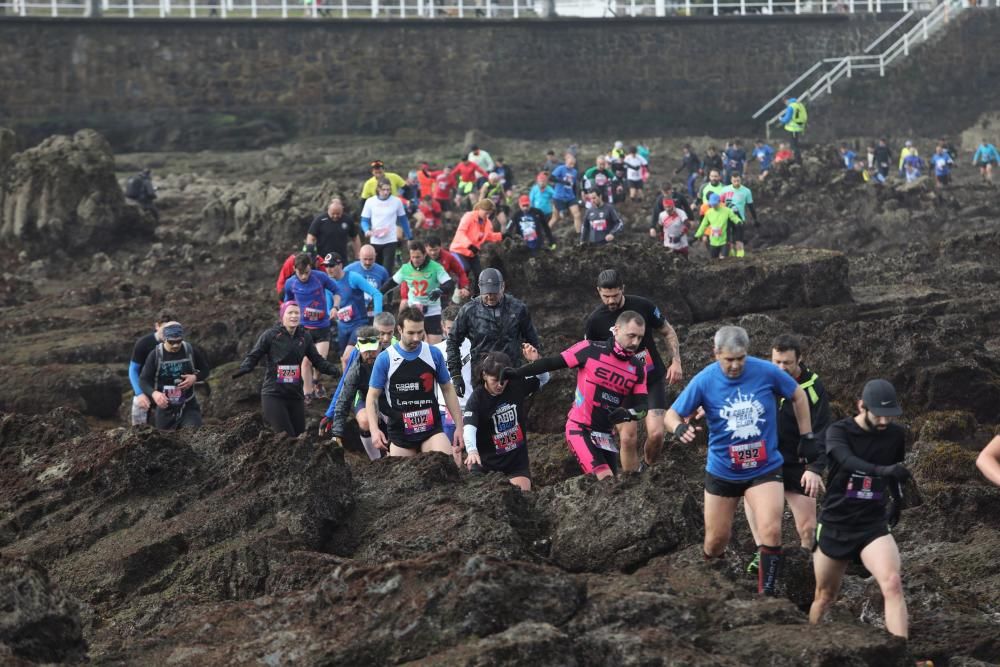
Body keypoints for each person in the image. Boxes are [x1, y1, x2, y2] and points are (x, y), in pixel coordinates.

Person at [665, 325, 816, 596]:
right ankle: (713, 590)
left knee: (771, 531)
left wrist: (807, 435)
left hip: (764, 467)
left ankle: (766, 595)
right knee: (715, 542)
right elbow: (671, 414)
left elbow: (798, 395)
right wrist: (678, 429)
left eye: (740, 359)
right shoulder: (704, 380)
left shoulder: (766, 371)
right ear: (716, 354)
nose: (735, 365)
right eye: (729, 359)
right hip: (723, 471)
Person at [809, 379, 911, 638]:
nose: (884, 422)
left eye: (890, 416)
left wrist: (897, 502)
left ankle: (901, 654)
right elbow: (847, 461)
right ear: (861, 406)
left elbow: (894, 473)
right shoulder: (838, 432)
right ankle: (809, 649)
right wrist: (881, 470)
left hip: (871, 524)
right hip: (836, 522)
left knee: (892, 584)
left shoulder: (896, 435)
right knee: (824, 596)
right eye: (878, 414)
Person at [503, 311, 649, 480]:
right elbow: (551, 363)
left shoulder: (638, 368)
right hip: (580, 429)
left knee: (613, 489)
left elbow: (643, 408)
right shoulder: (589, 349)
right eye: (631, 336)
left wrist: (627, 414)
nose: (635, 342)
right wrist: (516, 373)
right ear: (616, 330)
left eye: (640, 338)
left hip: (606, 436)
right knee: (606, 480)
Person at [745, 334, 832, 574]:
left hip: (798, 462)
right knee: (750, 494)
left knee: (807, 529)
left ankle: (806, 569)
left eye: (787, 363)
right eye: (777, 362)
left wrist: (815, 468)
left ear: (800, 359)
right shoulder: (760, 378)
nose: (781, 368)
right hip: (765, 459)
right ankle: (761, 550)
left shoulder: (812, 386)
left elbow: (823, 429)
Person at [585, 269, 683, 472]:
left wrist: (676, 361)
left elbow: (667, 331)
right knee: (628, 439)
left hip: (651, 378)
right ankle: (633, 481)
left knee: (656, 434)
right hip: (621, 386)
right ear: (598, 292)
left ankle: (649, 469)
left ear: (623, 289)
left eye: (615, 295)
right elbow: (588, 357)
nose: (611, 300)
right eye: (606, 296)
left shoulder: (643, 305)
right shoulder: (595, 321)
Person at [365, 307, 465, 458]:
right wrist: (374, 429)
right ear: (399, 329)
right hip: (401, 435)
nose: (417, 338)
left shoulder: (433, 354)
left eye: (420, 332)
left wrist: (459, 426)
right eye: (411, 333)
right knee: (403, 477)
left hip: (431, 431)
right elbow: (372, 397)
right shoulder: (385, 358)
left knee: (445, 463)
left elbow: (447, 389)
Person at [233, 301, 339, 437]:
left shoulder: (304, 336)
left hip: (296, 396)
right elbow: (255, 354)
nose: (294, 316)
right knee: (286, 439)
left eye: (297, 313)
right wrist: (245, 367)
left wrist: (334, 370)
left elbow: (317, 360)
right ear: (282, 316)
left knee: (300, 438)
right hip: (274, 395)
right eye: (290, 313)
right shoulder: (270, 335)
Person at [446, 268, 541, 398]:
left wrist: (534, 368)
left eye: (494, 292)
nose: (490, 296)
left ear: (503, 287)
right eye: (487, 293)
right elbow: (452, 341)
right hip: (482, 378)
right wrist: (456, 376)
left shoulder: (518, 308)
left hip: (511, 374)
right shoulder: (468, 311)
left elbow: (533, 340)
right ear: (479, 288)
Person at [463, 350, 549, 491]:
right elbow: (469, 427)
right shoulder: (477, 398)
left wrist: (536, 361)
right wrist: (472, 451)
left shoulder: (516, 385)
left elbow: (543, 379)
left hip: (515, 464)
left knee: (519, 497)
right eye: (495, 380)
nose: (500, 385)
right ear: (484, 375)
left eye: (504, 380)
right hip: (485, 464)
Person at [321, 326, 385, 460]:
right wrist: (337, 434)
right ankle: (376, 460)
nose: (368, 355)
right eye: (365, 351)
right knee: (365, 420)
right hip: (362, 394)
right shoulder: (356, 368)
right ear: (358, 349)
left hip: (385, 395)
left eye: (372, 350)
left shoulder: (390, 359)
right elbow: (343, 398)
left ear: (380, 345)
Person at [282, 253, 340, 400]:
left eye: (306, 273)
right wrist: (288, 320)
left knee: (320, 360)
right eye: (300, 273)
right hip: (303, 328)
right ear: (294, 269)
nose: (303, 277)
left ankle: (316, 381)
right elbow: (287, 304)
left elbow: (337, 291)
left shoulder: (320, 277)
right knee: (306, 361)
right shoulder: (290, 283)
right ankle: (307, 393)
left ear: (311, 268)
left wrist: (335, 307)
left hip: (321, 326)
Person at [139, 323, 211, 431]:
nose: (176, 345)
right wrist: (154, 394)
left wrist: (194, 377)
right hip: (165, 408)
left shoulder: (190, 350)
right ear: (164, 339)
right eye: (171, 342)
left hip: (188, 406)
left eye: (178, 341)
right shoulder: (155, 355)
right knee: (166, 443)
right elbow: (144, 380)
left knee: (193, 436)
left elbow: (205, 370)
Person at [381, 240, 454, 344]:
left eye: (418, 257)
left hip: (433, 311)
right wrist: (378, 293)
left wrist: (440, 290)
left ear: (425, 254)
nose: (415, 260)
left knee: (435, 346)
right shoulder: (406, 268)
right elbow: (391, 283)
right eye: (413, 257)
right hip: (414, 311)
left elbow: (450, 283)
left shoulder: (435, 267)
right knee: (413, 343)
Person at [321, 252, 383, 364]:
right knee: (345, 360)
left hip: (359, 324)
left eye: (331, 265)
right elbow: (328, 310)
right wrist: (330, 314)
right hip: (342, 327)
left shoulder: (353, 277)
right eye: (326, 266)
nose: (328, 269)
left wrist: (377, 319)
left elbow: (377, 294)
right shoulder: (328, 284)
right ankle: (348, 381)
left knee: (347, 358)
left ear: (340, 265)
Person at [332, 312, 397, 420]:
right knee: (365, 420)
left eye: (390, 333)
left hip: (390, 395)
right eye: (381, 333)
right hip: (364, 394)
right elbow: (345, 381)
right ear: (374, 330)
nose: (386, 338)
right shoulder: (359, 348)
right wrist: (331, 412)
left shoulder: (398, 346)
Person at [128, 311, 177, 426]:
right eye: (164, 329)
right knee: (138, 410)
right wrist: (139, 393)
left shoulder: (178, 344)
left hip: (169, 387)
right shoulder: (143, 343)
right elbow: (133, 370)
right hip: (146, 387)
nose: (167, 333)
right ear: (157, 326)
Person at [360, 177, 412, 277]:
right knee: (375, 269)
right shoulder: (370, 202)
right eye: (383, 189)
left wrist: (409, 237)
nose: (386, 192)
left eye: (388, 189)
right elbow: (364, 221)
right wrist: (366, 230)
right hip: (375, 240)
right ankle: (377, 291)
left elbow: (403, 220)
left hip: (390, 240)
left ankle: (388, 292)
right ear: (378, 189)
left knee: (387, 270)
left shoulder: (396, 201)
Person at [436, 306, 471, 453]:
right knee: (451, 453)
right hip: (446, 410)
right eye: (450, 328)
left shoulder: (474, 346)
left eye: (457, 327)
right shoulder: (435, 350)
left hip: (471, 407)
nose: (454, 332)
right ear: (443, 327)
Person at [449, 199, 501, 287]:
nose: (488, 215)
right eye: (486, 212)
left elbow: (489, 236)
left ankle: (477, 296)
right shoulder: (469, 216)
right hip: (458, 250)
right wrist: (469, 245)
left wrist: (502, 236)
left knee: (479, 274)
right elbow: (461, 233)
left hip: (472, 253)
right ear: (480, 209)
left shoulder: (487, 223)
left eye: (490, 213)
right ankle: (458, 292)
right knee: (465, 269)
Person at [344, 244, 391, 324]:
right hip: (355, 311)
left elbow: (388, 290)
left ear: (375, 256)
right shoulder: (348, 270)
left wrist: (387, 304)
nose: (368, 262)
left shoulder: (382, 271)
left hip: (374, 310)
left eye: (371, 259)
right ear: (359, 256)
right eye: (365, 259)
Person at [306, 197, 360, 264]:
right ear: (328, 209)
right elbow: (311, 237)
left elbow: (355, 238)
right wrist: (310, 252)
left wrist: (358, 256)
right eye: (333, 213)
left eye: (338, 214)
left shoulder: (348, 220)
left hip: (341, 258)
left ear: (342, 210)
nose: (335, 216)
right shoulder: (320, 220)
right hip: (323, 259)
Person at [720, 173, 759, 258]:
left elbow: (751, 206)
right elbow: (720, 204)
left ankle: (740, 259)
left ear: (741, 180)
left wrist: (755, 219)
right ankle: (729, 258)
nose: (736, 183)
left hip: (739, 218)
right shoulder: (724, 190)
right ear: (731, 180)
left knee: (739, 241)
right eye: (734, 181)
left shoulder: (746, 191)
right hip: (727, 218)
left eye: (738, 181)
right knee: (727, 241)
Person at [693, 193, 742, 260]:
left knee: (724, 259)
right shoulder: (708, 213)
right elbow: (703, 225)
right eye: (712, 204)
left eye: (715, 204)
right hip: (713, 241)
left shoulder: (727, 210)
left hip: (724, 241)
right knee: (714, 260)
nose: (713, 205)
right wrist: (696, 236)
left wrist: (738, 222)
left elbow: (734, 217)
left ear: (719, 202)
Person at [551, 153, 583, 233]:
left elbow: (574, 185)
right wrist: (563, 182)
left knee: (577, 215)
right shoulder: (560, 168)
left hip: (570, 197)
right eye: (570, 164)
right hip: (559, 196)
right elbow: (551, 178)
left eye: (573, 164)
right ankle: (547, 232)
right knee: (555, 218)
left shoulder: (574, 172)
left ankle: (579, 234)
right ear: (566, 162)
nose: (572, 166)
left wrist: (577, 196)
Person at [780, 96, 807, 162]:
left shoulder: (791, 106)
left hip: (793, 128)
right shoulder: (799, 104)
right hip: (800, 126)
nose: (785, 104)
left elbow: (786, 119)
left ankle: (798, 160)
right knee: (796, 143)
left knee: (793, 145)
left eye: (785, 103)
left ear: (786, 101)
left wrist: (781, 119)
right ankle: (799, 157)